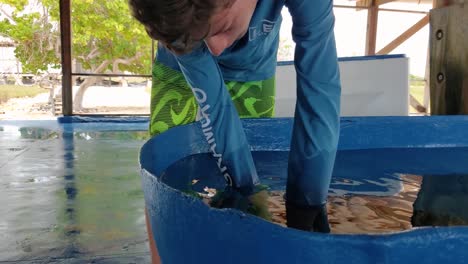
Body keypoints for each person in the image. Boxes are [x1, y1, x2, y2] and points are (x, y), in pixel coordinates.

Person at [129, 0, 341, 233]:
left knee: (255, 183)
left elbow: (319, 87)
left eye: (223, 28)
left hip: (252, 66)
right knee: (162, 173)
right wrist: (246, 187)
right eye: (207, 36)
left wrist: (307, 201)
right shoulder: (178, 23)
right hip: (179, 55)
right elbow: (214, 105)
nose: (216, 50)